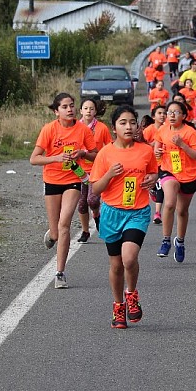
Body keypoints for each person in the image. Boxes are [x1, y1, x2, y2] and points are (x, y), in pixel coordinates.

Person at [90, 106, 158, 328]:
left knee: (129, 258)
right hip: (111, 213)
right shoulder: (105, 154)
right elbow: (96, 189)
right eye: (123, 122)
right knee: (116, 265)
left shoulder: (145, 151)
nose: (128, 126)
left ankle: (132, 294)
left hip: (137, 212)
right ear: (114, 128)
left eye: (132, 122)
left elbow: (153, 171)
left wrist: (151, 179)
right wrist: (109, 174)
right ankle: (118, 306)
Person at [30, 93, 97, 288]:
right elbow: (34, 158)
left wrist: (83, 153)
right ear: (56, 111)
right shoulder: (49, 129)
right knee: (56, 233)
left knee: (65, 224)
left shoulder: (83, 130)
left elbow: (96, 155)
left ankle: (60, 273)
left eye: (72, 105)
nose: (70, 109)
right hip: (51, 180)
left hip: (73, 180)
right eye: (65, 106)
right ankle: (52, 235)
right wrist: (56, 158)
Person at [153, 101, 196, 262]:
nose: (172, 115)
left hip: (188, 176)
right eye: (169, 112)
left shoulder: (190, 133)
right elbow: (157, 146)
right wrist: (157, 151)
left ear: (183, 116)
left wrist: (182, 145)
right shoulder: (163, 130)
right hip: (168, 171)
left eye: (176, 112)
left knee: (182, 211)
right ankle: (166, 240)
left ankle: (180, 242)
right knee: (169, 203)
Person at [76, 99, 113, 243]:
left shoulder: (102, 128)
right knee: (82, 203)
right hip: (79, 170)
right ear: (80, 111)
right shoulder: (75, 128)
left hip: (96, 169)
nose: (88, 111)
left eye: (91, 109)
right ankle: (85, 231)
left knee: (92, 200)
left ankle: (96, 215)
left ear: (95, 112)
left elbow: (109, 146)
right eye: (85, 108)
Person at [143, 106, 167, 224]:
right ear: (154, 116)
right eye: (159, 113)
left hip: (163, 163)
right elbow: (142, 146)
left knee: (160, 186)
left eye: (164, 113)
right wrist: (154, 144)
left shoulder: (168, 129)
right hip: (150, 163)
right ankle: (152, 191)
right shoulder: (148, 130)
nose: (162, 115)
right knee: (154, 187)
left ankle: (157, 213)